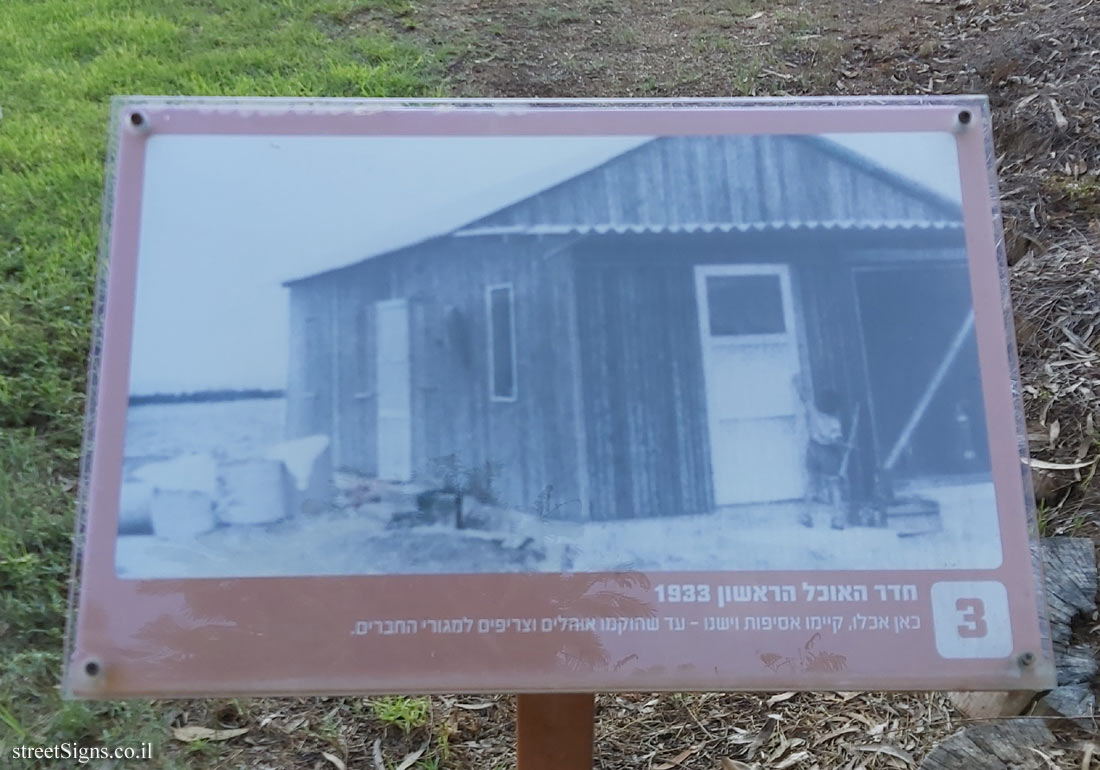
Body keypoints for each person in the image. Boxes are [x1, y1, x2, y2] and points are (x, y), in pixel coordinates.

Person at [794, 376, 847, 529]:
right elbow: (837, 441)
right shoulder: (834, 422)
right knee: (833, 485)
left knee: (811, 484)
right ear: (835, 407)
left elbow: (804, 398)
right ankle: (837, 519)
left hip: (812, 449)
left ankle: (806, 515)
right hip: (827, 453)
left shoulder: (813, 412)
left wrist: (798, 385)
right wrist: (844, 448)